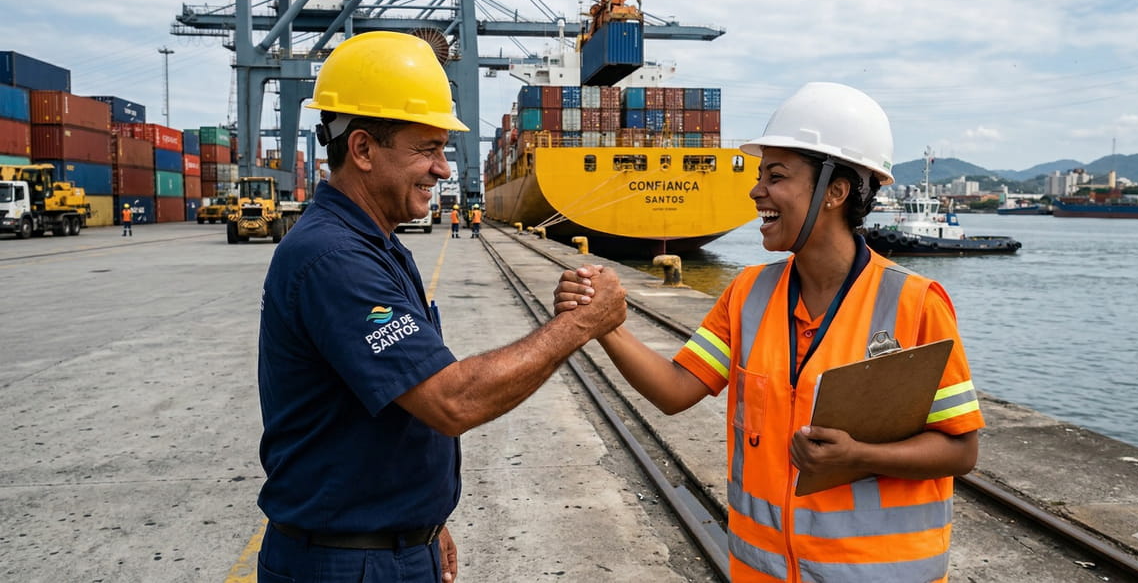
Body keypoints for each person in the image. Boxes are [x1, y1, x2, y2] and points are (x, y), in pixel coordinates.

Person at [555, 82, 983, 582]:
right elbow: (675, 390)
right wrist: (605, 325)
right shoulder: (749, 294)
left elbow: (961, 450)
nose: (756, 191)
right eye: (760, 176)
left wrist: (859, 456)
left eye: (776, 176)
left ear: (836, 192)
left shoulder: (914, 303)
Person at [255, 31, 627, 583]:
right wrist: (580, 324)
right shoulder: (335, 258)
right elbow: (452, 400)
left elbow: (390, 402)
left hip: (381, 546)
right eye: (426, 150)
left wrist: (422, 523)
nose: (445, 169)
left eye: (442, 151)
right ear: (362, 149)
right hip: (346, 564)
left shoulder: (375, 244)